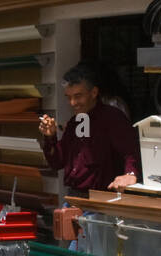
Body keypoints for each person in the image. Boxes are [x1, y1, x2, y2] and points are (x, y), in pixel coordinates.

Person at [38, 62, 142, 199]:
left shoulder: (112, 118)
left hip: (102, 200)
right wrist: (50, 137)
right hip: (75, 198)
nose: (72, 103)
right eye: (69, 97)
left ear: (94, 92)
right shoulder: (78, 121)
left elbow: (130, 152)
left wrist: (131, 174)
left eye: (78, 96)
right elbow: (57, 162)